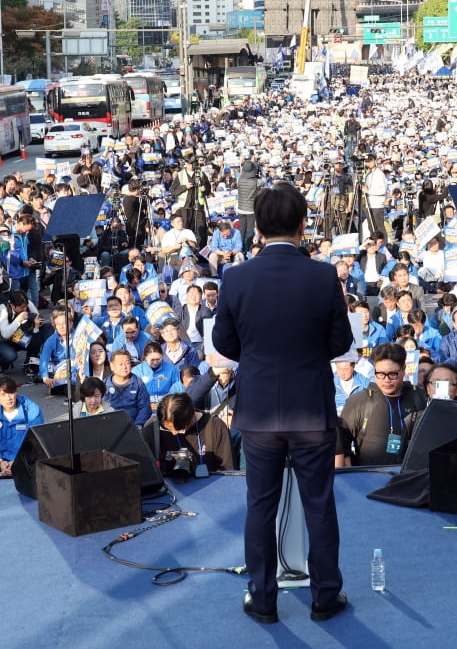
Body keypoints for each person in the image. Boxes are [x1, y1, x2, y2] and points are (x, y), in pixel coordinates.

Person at [211, 181, 353, 624]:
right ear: (302, 224)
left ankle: (263, 598)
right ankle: (325, 596)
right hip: (310, 407)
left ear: (258, 229)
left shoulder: (235, 277)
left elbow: (224, 343)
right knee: (319, 504)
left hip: (258, 412)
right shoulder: (323, 274)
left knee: (260, 505)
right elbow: (340, 341)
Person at [142, 392, 235, 474]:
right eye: (168, 429)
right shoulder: (153, 429)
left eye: (179, 429)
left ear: (191, 418)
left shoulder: (215, 426)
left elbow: (226, 470)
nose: (174, 433)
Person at [0, 375, 44, 479]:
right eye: (3, 394)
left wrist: (17, 462)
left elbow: (36, 441)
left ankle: (10, 473)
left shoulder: (32, 410)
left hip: (24, 459)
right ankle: (4, 472)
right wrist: (0, 462)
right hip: (0, 459)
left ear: (16, 391)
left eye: (11, 392)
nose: (8, 398)